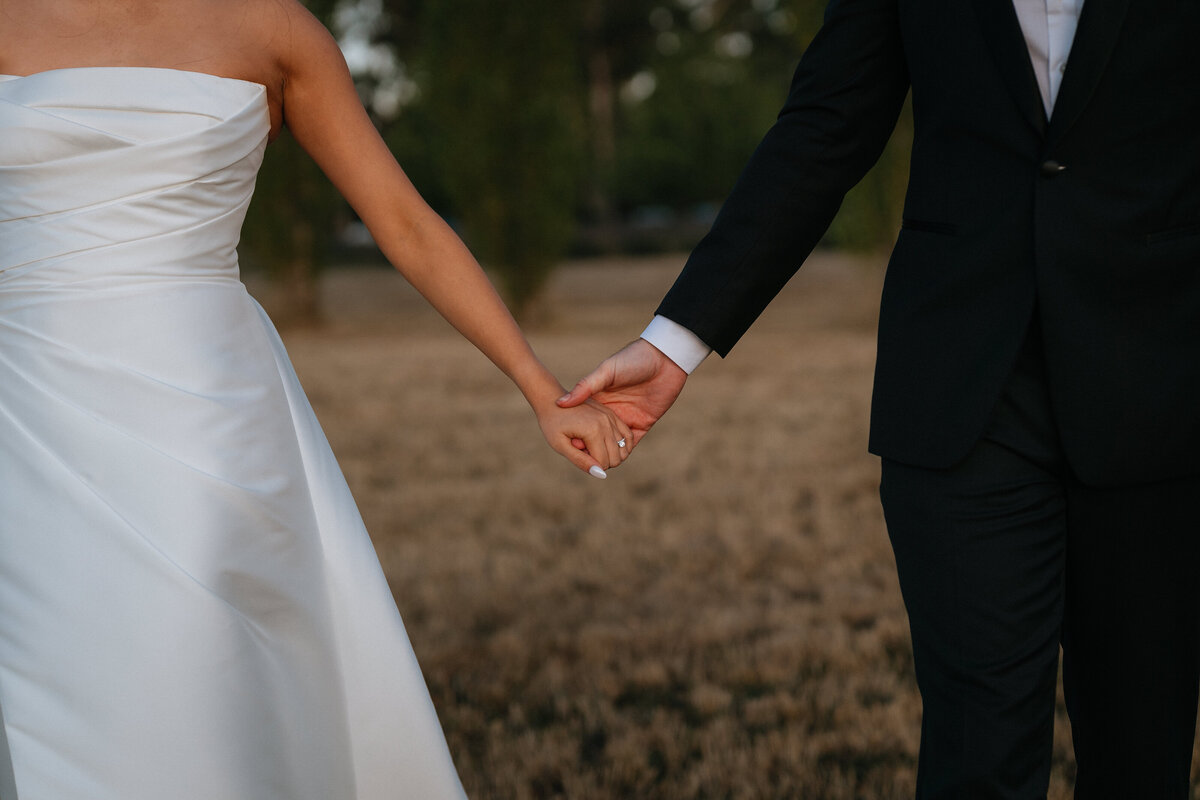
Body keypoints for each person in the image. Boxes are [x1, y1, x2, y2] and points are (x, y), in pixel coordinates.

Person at [559, 1, 1200, 797]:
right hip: (961, 392)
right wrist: (677, 340)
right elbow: (828, 123)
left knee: (1145, 754)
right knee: (980, 754)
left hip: (1163, 379)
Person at [0, 0, 633, 797]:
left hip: (202, 414)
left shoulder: (273, 28)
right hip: (21, 405)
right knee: (49, 669)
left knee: (190, 665)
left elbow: (405, 223)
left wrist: (540, 386)